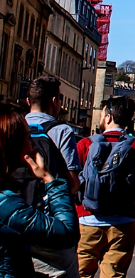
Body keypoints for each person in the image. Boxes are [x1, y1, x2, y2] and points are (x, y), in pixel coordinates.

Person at [76, 97, 135, 278]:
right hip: (122, 222)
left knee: (81, 274)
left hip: (86, 221)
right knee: (114, 274)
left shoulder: (85, 144)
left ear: (108, 117)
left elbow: (72, 183)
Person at [0, 104, 79, 277]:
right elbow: (67, 232)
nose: (34, 143)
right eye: (29, 138)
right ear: (13, 145)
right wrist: (49, 179)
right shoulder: (7, 206)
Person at [25, 76, 80, 278]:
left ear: (28, 101)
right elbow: (72, 184)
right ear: (55, 101)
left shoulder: (13, 127)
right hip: (49, 222)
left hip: (15, 221)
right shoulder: (62, 131)